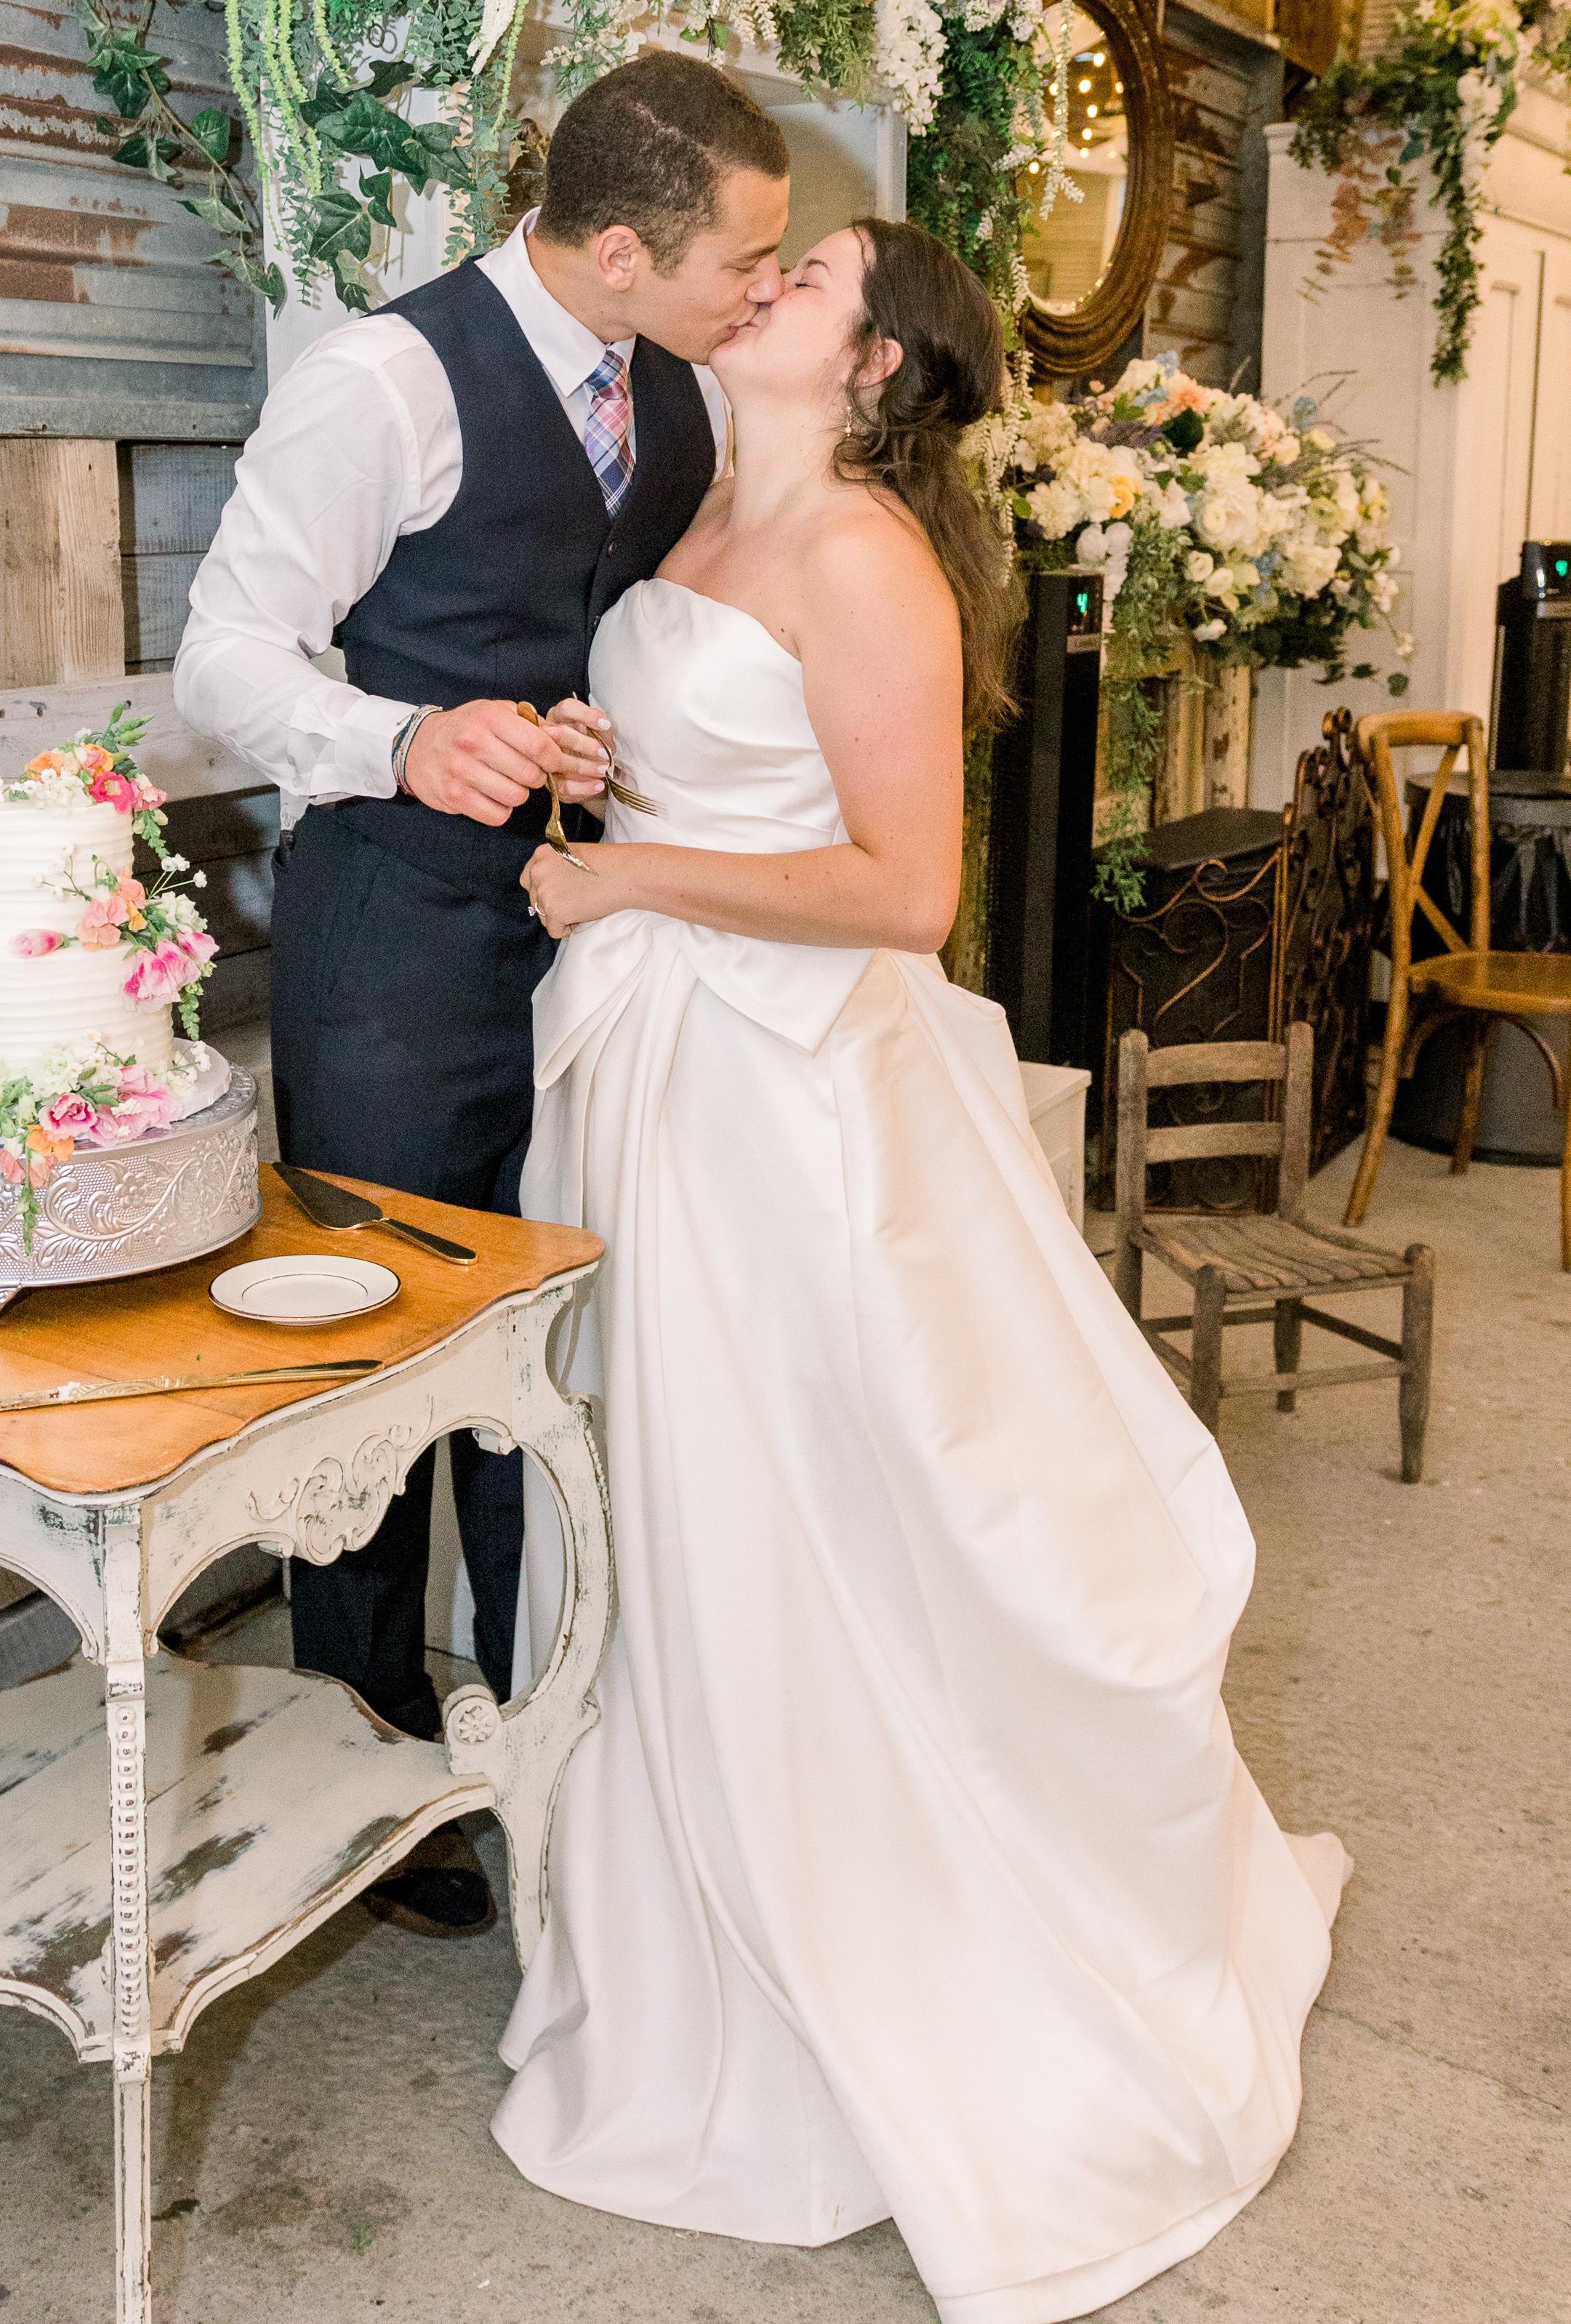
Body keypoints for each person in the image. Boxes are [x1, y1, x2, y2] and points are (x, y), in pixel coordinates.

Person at [494, 218, 1348, 2321]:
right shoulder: (701, 508)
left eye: (809, 280)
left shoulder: (871, 558)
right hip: (661, 1072)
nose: (767, 284)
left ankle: (879, 1932)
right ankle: (686, 1916)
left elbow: (904, 890)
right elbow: (733, 761)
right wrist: (611, 767)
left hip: (783, 1110)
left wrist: (628, 871)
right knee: (669, 1503)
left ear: (875, 368)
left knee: (799, 1511)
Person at [173, 50, 791, 1935]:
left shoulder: (681, 393)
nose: (764, 291)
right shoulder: (384, 381)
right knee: (377, 1349)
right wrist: (399, 737)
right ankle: (365, 1765)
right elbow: (224, 657)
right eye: (743, 261)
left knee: (553, 1336)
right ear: (620, 251)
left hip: (595, 938)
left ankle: (544, 1731)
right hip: (392, 937)